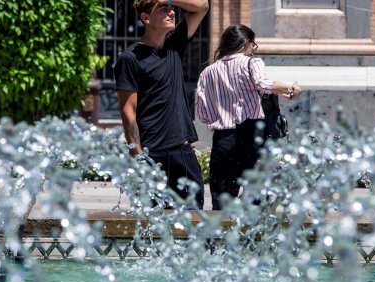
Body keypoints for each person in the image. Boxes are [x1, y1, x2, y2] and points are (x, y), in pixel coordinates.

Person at [115, 0, 209, 209]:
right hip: (152, 154)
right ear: (146, 18)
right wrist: (138, 157)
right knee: (153, 229)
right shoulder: (130, 59)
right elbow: (128, 110)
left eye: (171, 8)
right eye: (164, 10)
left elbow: (202, 6)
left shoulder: (174, 46)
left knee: (193, 224)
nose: (172, 12)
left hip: (183, 153)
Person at [195, 24, 302, 210]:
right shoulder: (251, 63)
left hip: (222, 140)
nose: (253, 50)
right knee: (255, 202)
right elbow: (263, 84)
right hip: (251, 137)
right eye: (253, 45)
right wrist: (291, 88)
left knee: (221, 204)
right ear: (246, 42)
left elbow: (203, 114)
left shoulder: (207, 73)